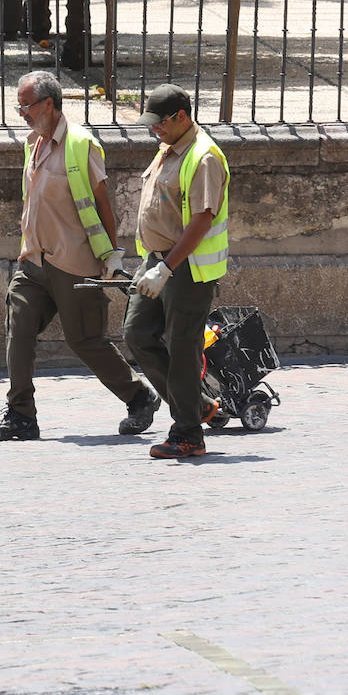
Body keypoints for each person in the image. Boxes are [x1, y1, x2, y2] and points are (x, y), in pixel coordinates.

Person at [0, 70, 159, 443]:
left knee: (85, 339)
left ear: (49, 104)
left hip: (73, 261)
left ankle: (139, 396)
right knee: (19, 330)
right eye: (19, 106)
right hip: (33, 260)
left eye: (26, 105)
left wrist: (111, 256)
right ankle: (21, 415)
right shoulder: (33, 142)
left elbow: (102, 205)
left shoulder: (81, 144)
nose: (22, 113)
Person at [124, 84, 231, 459]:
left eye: (160, 123)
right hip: (158, 260)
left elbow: (201, 219)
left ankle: (188, 434)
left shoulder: (203, 157)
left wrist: (167, 267)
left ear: (182, 117)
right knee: (136, 333)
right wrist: (152, 264)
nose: (154, 129)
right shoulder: (169, 148)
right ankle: (197, 406)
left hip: (187, 267)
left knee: (182, 347)